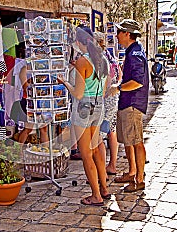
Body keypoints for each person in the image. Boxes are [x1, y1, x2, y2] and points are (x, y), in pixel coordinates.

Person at [58, 27, 110, 206]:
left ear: (80, 43)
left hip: (83, 108)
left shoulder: (82, 61)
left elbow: (78, 94)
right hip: (98, 106)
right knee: (96, 149)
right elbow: (103, 89)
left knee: (86, 153)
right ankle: (104, 188)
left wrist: (65, 82)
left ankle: (96, 195)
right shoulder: (103, 59)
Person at [110, 19, 149, 192]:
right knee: (128, 140)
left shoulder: (135, 55)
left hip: (133, 104)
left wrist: (117, 87)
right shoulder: (132, 51)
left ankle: (139, 179)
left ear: (127, 34)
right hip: (127, 103)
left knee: (136, 141)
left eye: (119, 32)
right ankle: (132, 172)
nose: (116, 36)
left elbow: (137, 82)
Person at [94, 32, 122, 175]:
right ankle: (112, 165)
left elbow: (103, 81)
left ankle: (101, 171)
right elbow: (120, 77)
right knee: (111, 131)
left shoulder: (100, 60)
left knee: (100, 136)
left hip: (105, 99)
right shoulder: (113, 58)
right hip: (114, 98)